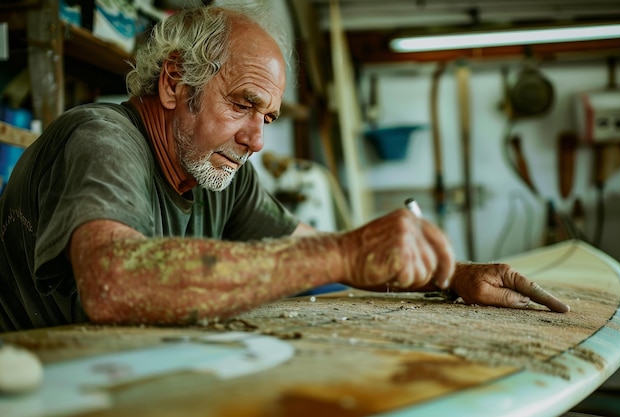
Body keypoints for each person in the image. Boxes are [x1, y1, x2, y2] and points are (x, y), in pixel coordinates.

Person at [0, 4, 569, 332]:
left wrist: (450, 276)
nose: (255, 140)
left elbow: (313, 246)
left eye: (268, 117)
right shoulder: (100, 138)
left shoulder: (217, 169)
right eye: (243, 104)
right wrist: (344, 252)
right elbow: (113, 282)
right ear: (174, 82)